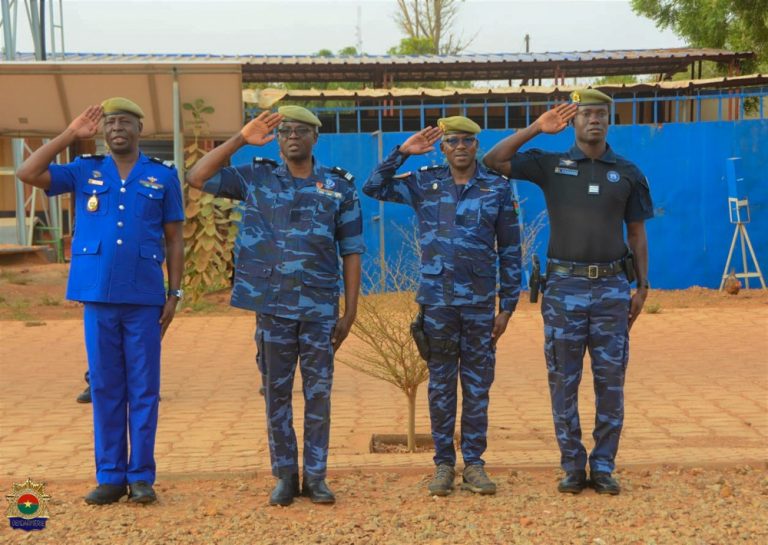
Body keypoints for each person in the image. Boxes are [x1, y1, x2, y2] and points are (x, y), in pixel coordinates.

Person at [186, 105, 364, 506]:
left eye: (301, 131)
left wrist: (350, 312)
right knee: (276, 393)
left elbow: (352, 250)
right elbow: (197, 177)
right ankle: (285, 474)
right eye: (285, 131)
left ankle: (316, 476)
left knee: (319, 394)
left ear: (316, 137)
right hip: (272, 306)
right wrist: (238, 139)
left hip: (319, 309)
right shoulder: (256, 177)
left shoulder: (339, 187)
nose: (292, 137)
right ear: (277, 139)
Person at [483, 89, 653, 495]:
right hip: (564, 288)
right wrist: (536, 129)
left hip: (613, 287)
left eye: (601, 115)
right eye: (587, 114)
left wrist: (642, 286)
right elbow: (494, 161)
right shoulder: (551, 165)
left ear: (609, 122)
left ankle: (605, 465)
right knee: (563, 380)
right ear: (574, 122)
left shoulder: (628, 172)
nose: (594, 120)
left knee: (611, 380)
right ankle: (573, 466)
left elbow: (637, 233)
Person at [16, 98, 185, 504]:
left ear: (140, 129)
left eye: (124, 122)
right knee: (107, 386)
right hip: (98, 296)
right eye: (109, 123)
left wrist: (175, 292)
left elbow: (176, 237)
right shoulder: (84, 170)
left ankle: (141, 476)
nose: (115, 129)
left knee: (144, 388)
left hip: (145, 296)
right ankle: (110, 476)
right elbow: (26, 172)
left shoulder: (162, 177)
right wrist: (70, 135)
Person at [363, 116, 521, 496]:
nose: (461, 147)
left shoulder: (497, 189)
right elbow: (373, 186)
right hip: (437, 304)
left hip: (481, 305)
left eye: (468, 140)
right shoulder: (423, 184)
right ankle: (443, 465)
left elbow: (511, 250)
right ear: (443, 147)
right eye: (453, 141)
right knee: (441, 386)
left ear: (477, 146)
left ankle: (476, 464)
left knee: (478, 386)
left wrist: (507, 306)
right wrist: (402, 152)